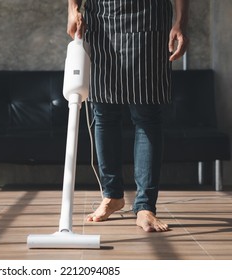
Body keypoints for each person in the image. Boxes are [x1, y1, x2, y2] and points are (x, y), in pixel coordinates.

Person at [67, 0, 189, 232]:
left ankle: (145, 207)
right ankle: (112, 196)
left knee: (147, 115)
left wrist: (181, 22)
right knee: (103, 114)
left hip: (150, 21)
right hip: (102, 23)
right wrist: (72, 10)